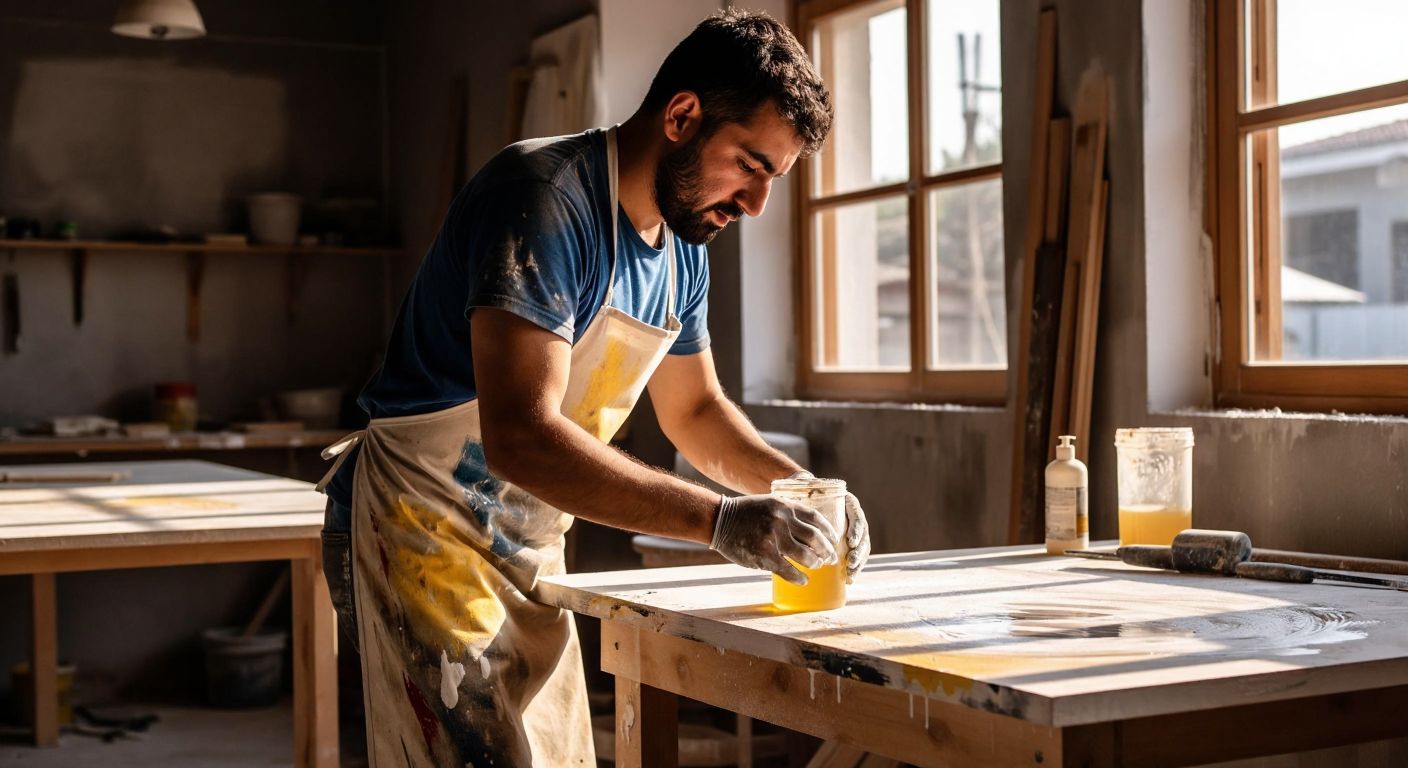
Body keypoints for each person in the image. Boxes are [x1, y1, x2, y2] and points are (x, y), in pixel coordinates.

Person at [317, 9, 871, 766]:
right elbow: (522, 435)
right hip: (422, 526)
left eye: (772, 178)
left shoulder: (683, 250)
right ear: (682, 115)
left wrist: (804, 492)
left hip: (532, 541)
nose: (755, 204)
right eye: (749, 165)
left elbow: (696, 410)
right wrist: (720, 521)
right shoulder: (543, 197)